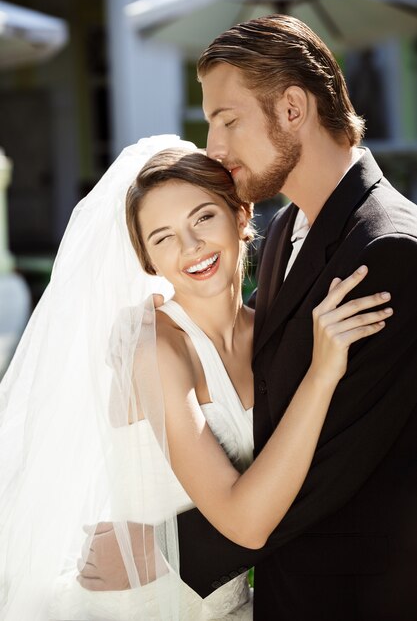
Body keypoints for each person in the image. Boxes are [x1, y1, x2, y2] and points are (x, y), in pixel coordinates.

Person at [82, 14, 417, 621]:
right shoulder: (289, 226)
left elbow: (331, 466)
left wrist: (165, 547)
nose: (212, 147)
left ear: (292, 108)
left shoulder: (390, 251)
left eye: (226, 120)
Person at [0, 136, 389, 621]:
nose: (190, 247)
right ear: (149, 262)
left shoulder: (274, 335)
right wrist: (322, 375)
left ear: (242, 215)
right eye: (162, 238)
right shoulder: (153, 348)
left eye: (203, 217)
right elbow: (244, 521)